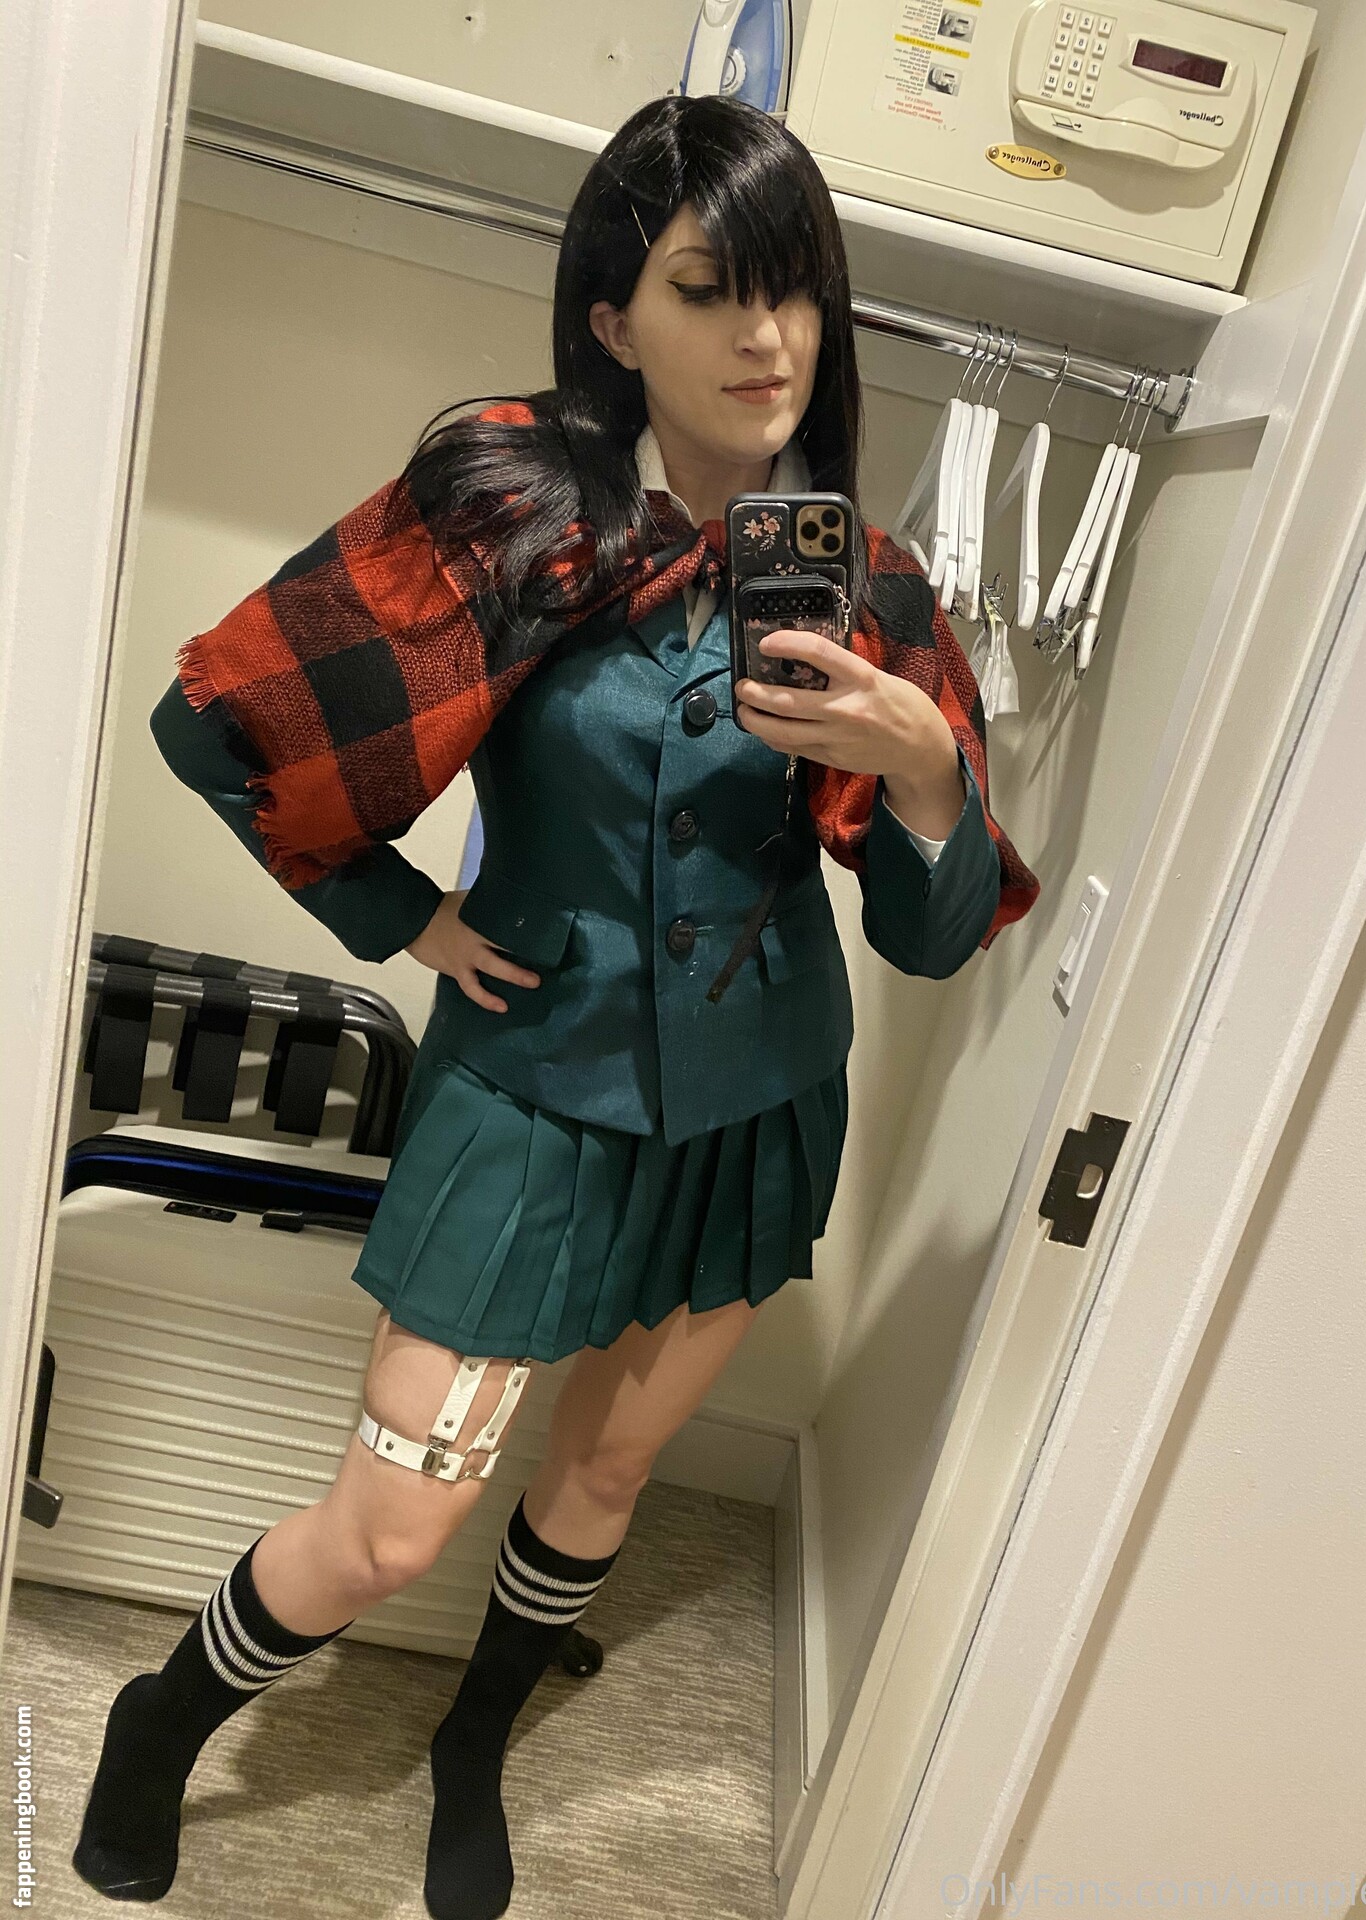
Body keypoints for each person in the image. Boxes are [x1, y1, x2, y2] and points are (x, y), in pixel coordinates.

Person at [72, 91, 1034, 1920]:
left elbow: (930, 941)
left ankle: (476, 1735)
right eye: (707, 289)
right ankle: (159, 1715)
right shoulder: (502, 511)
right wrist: (402, 914)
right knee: (392, 1525)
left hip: (755, 1101)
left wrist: (923, 769)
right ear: (614, 316)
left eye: (795, 292)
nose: (765, 338)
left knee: (609, 1462)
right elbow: (220, 725)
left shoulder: (868, 586)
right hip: (528, 1090)